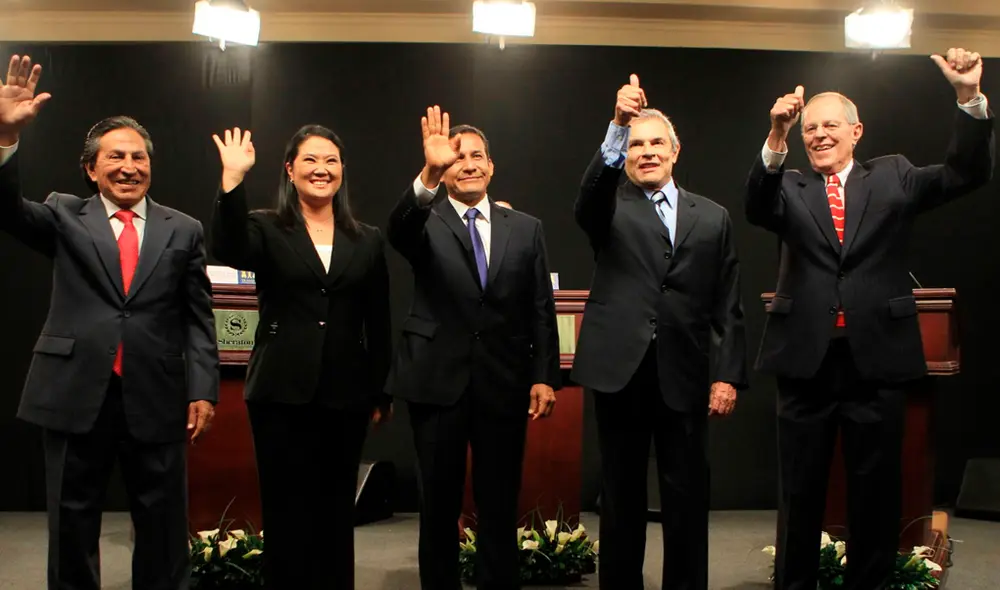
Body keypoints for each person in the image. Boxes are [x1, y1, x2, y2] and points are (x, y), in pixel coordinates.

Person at [745, 48, 994, 590]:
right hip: (806, 363)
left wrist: (968, 97)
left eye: (829, 125)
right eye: (809, 127)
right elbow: (756, 206)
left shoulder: (894, 176)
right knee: (800, 496)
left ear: (857, 131)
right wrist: (776, 137)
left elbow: (964, 173)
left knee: (875, 495)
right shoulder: (788, 186)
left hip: (876, 362)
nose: (818, 135)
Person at [0, 54, 219, 590]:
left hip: (158, 393)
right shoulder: (63, 214)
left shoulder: (183, 229)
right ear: (91, 168)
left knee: (164, 528)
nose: (129, 166)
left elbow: (198, 317)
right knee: (72, 524)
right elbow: (4, 210)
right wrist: (5, 135)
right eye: (115, 156)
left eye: (139, 157)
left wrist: (203, 388)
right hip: (76, 393)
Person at [571, 75, 747, 590]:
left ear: (675, 151)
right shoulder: (608, 206)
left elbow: (726, 302)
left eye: (656, 143)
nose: (646, 152)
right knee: (622, 498)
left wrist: (727, 374)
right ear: (625, 153)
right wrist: (617, 126)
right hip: (620, 371)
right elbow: (586, 202)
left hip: (686, 375)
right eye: (637, 144)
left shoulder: (712, 217)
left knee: (687, 499)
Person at [385, 106, 561, 590]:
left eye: (477, 155)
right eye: (457, 157)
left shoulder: (525, 227)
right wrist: (428, 173)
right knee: (438, 505)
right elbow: (397, 230)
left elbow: (540, 307)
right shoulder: (425, 219)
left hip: (503, 383)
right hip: (436, 382)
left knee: (500, 502)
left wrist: (545, 375)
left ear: (491, 166)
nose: (467, 163)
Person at [210, 124, 391, 588]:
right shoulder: (266, 226)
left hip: (346, 395)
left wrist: (380, 389)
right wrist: (231, 180)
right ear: (290, 170)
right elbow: (226, 247)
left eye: (331, 161)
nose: (321, 169)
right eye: (310, 160)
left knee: (334, 513)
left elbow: (379, 318)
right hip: (279, 392)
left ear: (342, 171)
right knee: (286, 511)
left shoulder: (366, 238)